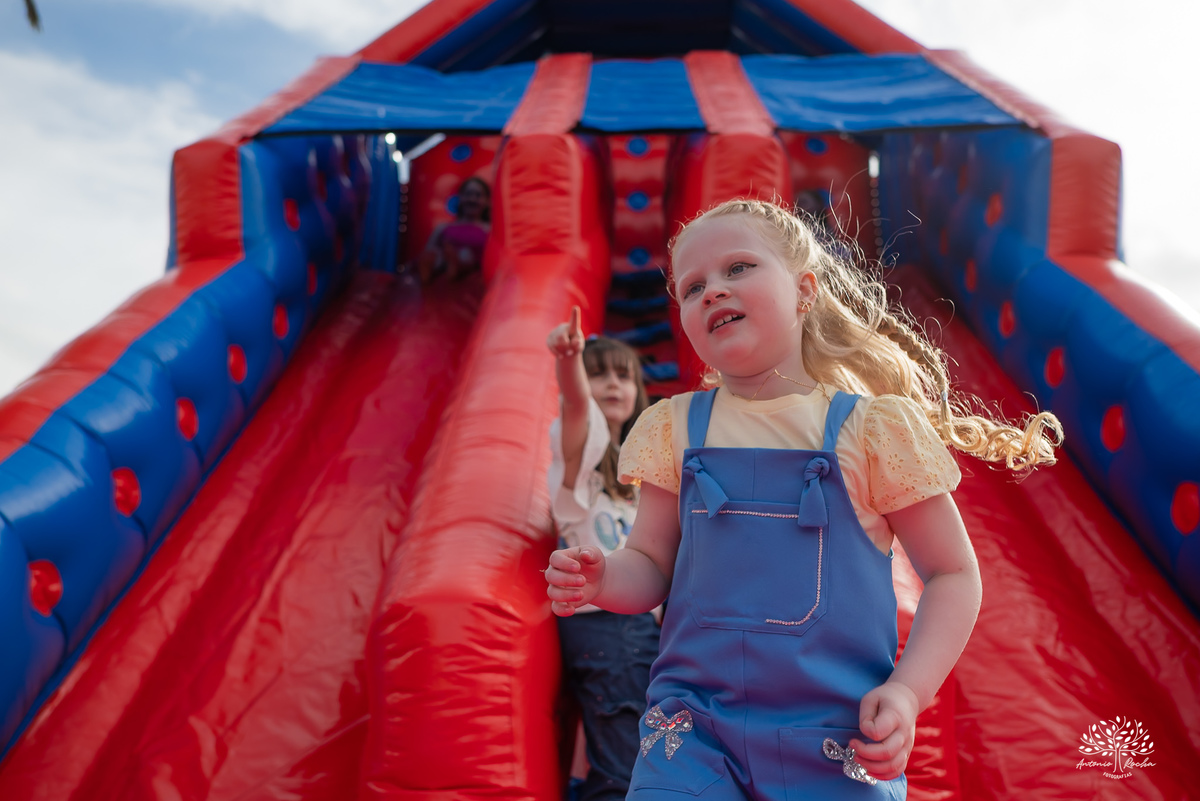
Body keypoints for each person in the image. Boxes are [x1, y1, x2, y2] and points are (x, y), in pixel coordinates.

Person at [545, 199, 1063, 799]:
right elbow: (652, 567)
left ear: (805, 291)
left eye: (738, 268)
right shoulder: (674, 428)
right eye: (692, 287)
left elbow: (952, 573)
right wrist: (604, 577)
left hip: (836, 731)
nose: (713, 290)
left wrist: (908, 690)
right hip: (693, 729)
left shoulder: (870, 430)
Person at [546, 307, 661, 801]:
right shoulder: (581, 472)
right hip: (603, 624)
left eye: (622, 375)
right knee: (622, 761)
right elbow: (576, 410)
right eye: (599, 375)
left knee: (648, 746)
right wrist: (570, 363)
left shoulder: (642, 481)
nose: (613, 384)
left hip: (642, 625)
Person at [418, 176, 491, 282]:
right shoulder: (443, 227)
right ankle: (431, 271)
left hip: (472, 269)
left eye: (478, 195)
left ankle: (457, 265)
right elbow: (428, 250)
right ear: (460, 197)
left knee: (466, 254)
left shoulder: (488, 230)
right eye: (468, 194)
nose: (472, 199)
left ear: (486, 201)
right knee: (436, 253)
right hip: (444, 265)